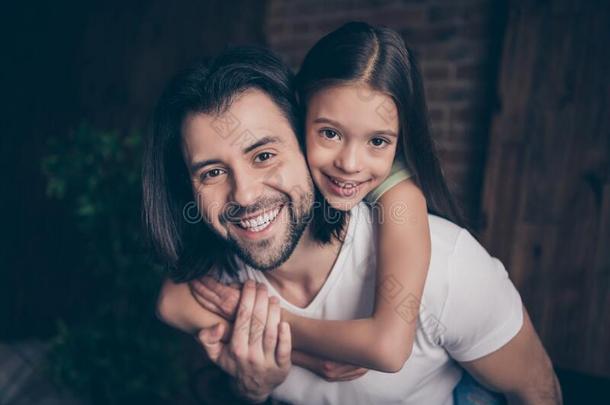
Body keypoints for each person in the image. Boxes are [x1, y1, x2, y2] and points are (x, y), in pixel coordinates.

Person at [143, 33, 562, 405]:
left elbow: (538, 391)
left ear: (302, 139)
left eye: (264, 155)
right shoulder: (214, 278)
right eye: (213, 172)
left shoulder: (447, 267)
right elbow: (169, 303)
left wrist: (277, 328)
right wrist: (259, 385)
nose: (246, 194)